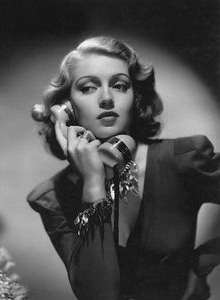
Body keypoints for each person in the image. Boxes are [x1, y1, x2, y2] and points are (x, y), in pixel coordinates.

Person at [27, 36, 220, 300]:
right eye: (88, 88)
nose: (106, 98)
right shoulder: (52, 197)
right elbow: (99, 293)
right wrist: (93, 182)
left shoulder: (183, 159)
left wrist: (202, 262)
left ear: (136, 96)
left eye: (119, 85)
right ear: (66, 109)